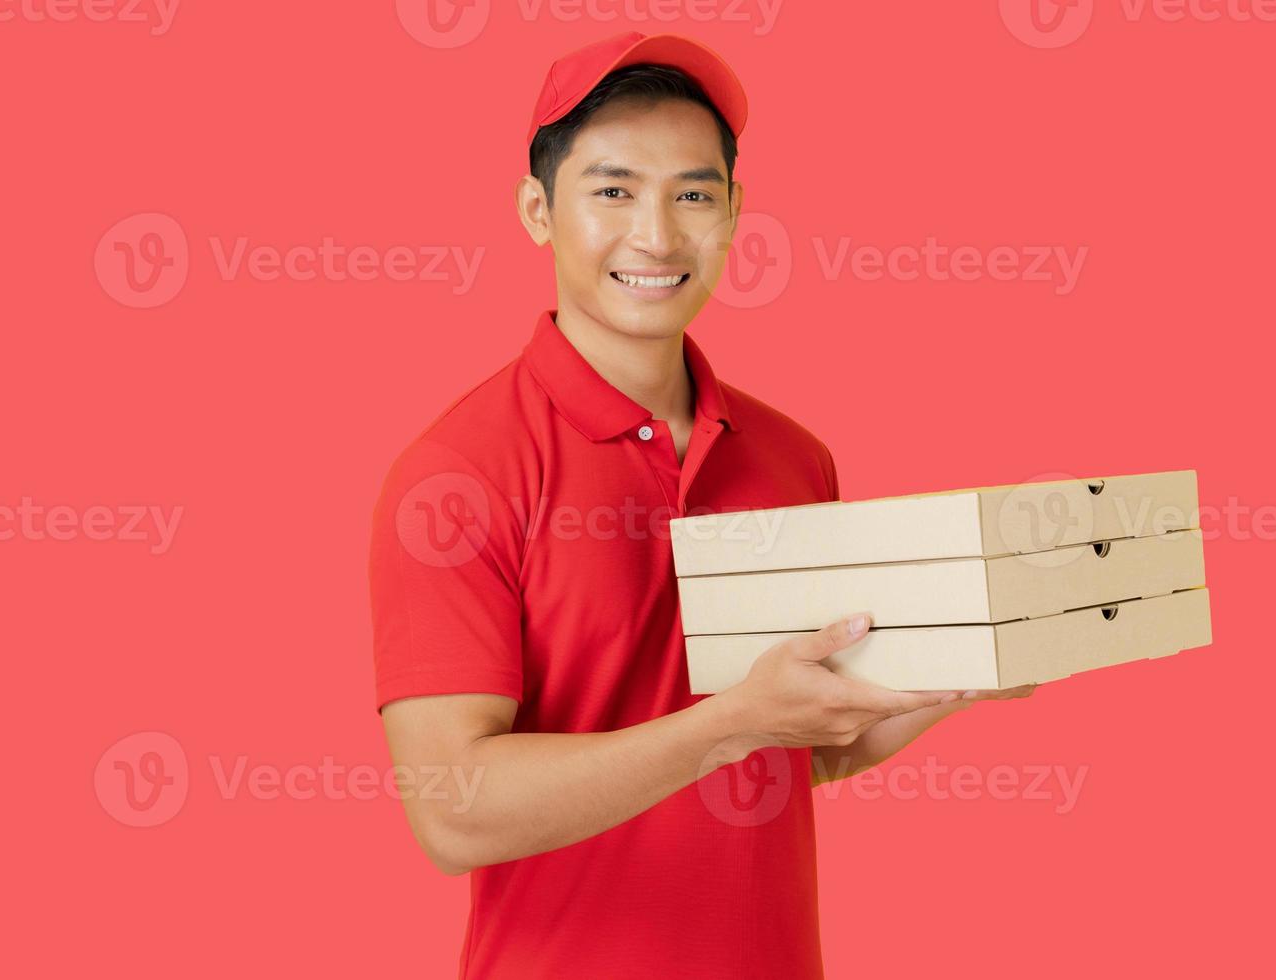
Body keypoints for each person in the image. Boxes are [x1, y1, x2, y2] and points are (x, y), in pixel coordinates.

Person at [366, 31, 1033, 979]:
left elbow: (814, 747)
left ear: (734, 214)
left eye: (693, 194)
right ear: (535, 211)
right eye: (612, 190)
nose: (658, 235)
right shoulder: (457, 475)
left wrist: (983, 654)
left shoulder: (793, 456)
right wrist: (733, 722)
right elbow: (453, 810)